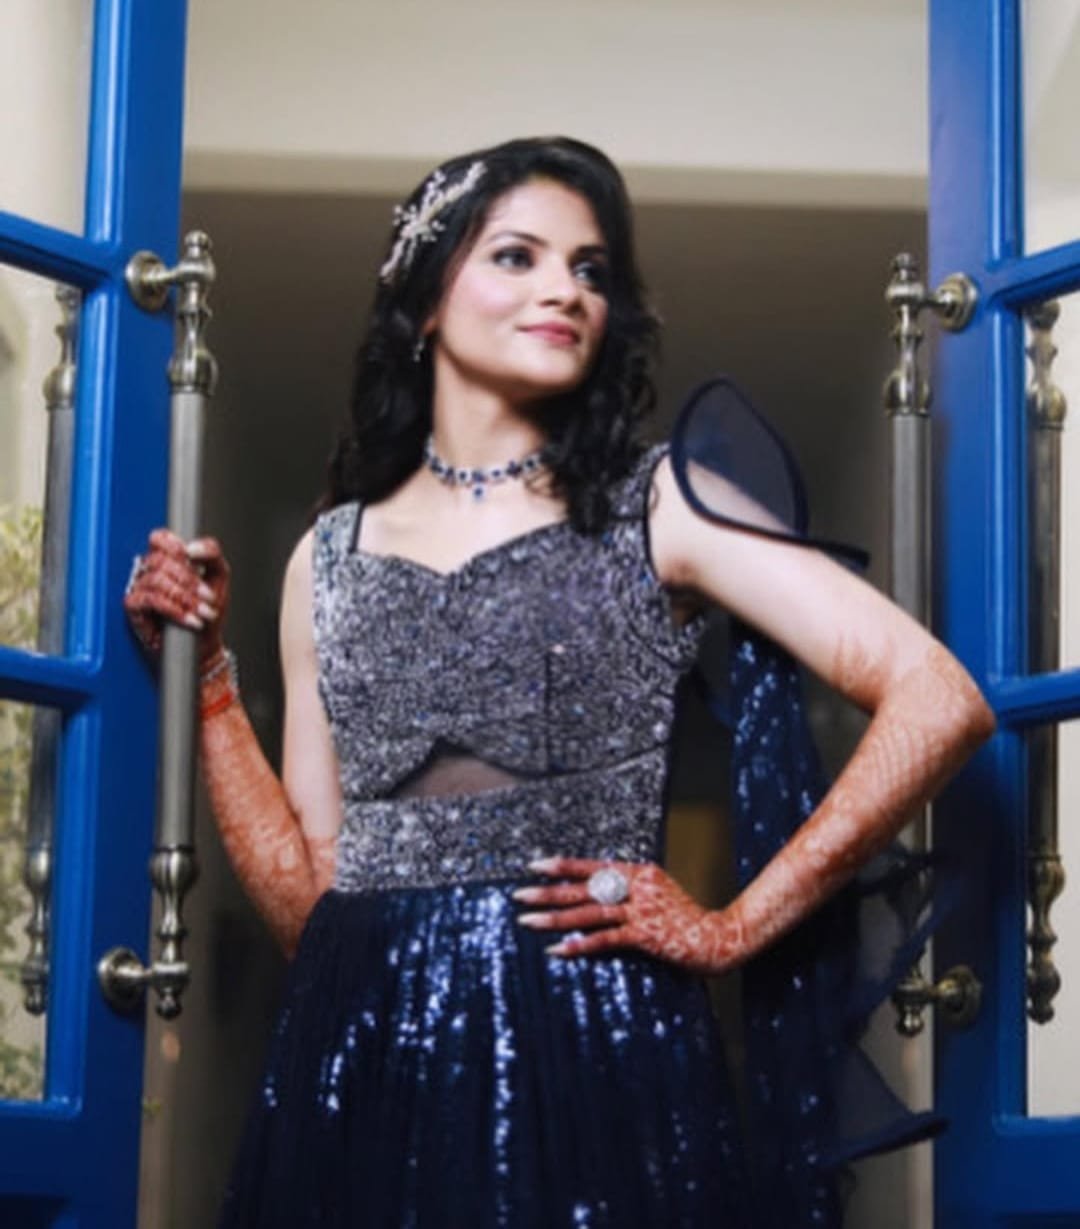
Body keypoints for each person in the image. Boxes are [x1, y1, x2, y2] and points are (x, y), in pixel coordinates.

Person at [124, 136, 994, 1228]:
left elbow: (939, 695)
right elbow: (312, 910)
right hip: (364, 1067)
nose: (565, 290)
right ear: (424, 302)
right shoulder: (325, 559)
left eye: (589, 269)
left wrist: (731, 926)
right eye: (518, 256)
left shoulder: (659, 505)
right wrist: (208, 678)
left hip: (595, 1048)